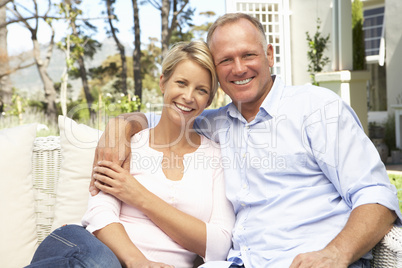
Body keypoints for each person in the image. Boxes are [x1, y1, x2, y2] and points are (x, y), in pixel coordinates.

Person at [90, 13, 402, 268]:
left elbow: (376, 195)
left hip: (313, 258)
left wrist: (337, 253)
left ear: (269, 55)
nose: (239, 69)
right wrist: (121, 125)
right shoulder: (214, 124)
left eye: (248, 55)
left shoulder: (317, 108)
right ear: (216, 72)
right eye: (226, 60)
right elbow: (169, 116)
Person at [27, 41, 235, 268]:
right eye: (181, 83)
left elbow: (219, 244)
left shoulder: (216, 157)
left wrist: (138, 196)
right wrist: (138, 262)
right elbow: (99, 213)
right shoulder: (125, 144)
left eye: (201, 90)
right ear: (163, 82)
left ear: (210, 99)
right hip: (89, 252)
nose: (188, 96)